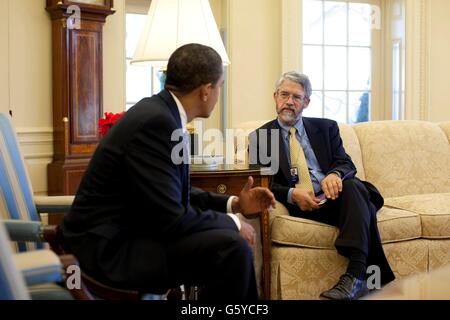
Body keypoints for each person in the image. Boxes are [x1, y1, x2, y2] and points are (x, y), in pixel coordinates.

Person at [60, 43, 276, 301]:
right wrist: (232, 222)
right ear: (206, 91)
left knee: (228, 242)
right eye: (220, 86)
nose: (219, 93)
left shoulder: (161, 113)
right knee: (231, 248)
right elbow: (171, 218)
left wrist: (234, 204)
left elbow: (173, 194)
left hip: (129, 234)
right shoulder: (158, 122)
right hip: (108, 251)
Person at [250, 71, 395, 300]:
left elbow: (345, 163)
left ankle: (355, 277)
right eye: (284, 95)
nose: (289, 101)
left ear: (306, 102)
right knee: (362, 200)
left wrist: (334, 175)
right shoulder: (260, 137)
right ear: (275, 96)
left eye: (297, 97)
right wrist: (291, 194)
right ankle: (367, 279)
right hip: (302, 204)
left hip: (335, 198)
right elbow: (264, 182)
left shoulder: (326, 128)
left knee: (353, 186)